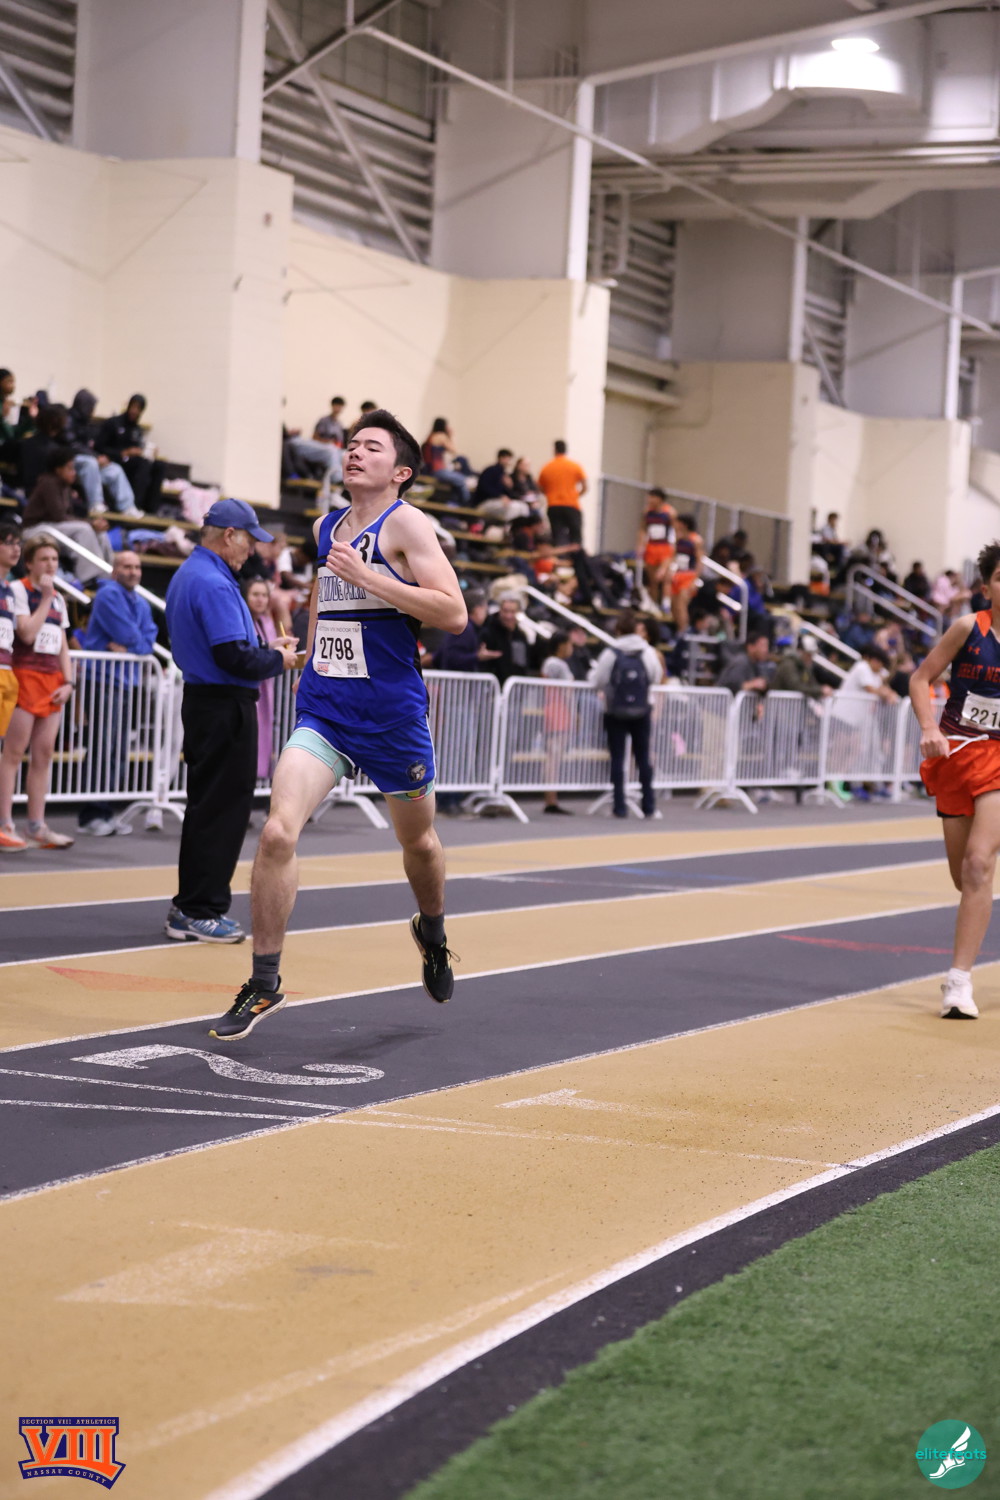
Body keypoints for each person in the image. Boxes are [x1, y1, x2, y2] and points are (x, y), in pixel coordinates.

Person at [207, 409, 467, 1040]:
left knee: (418, 844)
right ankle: (264, 982)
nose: (354, 452)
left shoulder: (406, 523)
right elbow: (326, 591)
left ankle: (432, 931)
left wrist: (369, 577)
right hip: (327, 708)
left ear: (400, 471)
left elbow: (453, 613)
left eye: (371, 447)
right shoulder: (327, 526)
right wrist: (313, 651)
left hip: (391, 717)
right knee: (277, 832)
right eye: (351, 444)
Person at [164, 499, 299, 943]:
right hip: (223, 704)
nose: (252, 551)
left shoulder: (192, 574)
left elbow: (229, 649)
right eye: (248, 541)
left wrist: (266, 651)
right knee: (222, 810)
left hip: (206, 701)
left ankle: (192, 905)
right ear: (229, 535)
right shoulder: (214, 582)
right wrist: (278, 660)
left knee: (208, 807)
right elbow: (233, 657)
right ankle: (199, 909)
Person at [909, 539, 1000, 1020]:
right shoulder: (968, 628)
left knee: (980, 863)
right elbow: (920, 679)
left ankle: (958, 982)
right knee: (964, 876)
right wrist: (929, 728)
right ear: (987, 587)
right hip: (958, 754)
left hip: (999, 759)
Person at [0, 536, 75, 849]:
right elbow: (28, 633)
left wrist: (68, 683)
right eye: (44, 559)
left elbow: (62, 644)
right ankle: (5, 823)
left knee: (43, 755)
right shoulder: (17, 590)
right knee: (13, 753)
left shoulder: (58, 599)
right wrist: (44, 598)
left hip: (51, 682)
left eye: (54, 560)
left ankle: (37, 825)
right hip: (24, 677)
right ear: (29, 563)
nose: (50, 565)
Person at [76, 550, 158, 836]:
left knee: (118, 751)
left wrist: (135, 645)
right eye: (126, 566)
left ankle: (105, 812)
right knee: (103, 747)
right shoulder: (108, 594)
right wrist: (135, 643)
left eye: (137, 567)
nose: (133, 571)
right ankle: (91, 815)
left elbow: (148, 640)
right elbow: (128, 635)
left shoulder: (141, 602)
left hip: (125, 682)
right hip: (102, 679)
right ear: (114, 570)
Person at [590, 610, 664, 818]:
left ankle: (619, 806)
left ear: (618, 630)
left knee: (617, 758)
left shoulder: (611, 653)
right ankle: (648, 805)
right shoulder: (647, 652)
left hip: (616, 710)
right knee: (643, 758)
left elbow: (598, 680)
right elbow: (656, 676)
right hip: (642, 709)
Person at [22, 447, 113, 584]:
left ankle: (108, 576)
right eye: (70, 468)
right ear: (58, 469)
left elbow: (69, 516)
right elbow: (58, 516)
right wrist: (90, 523)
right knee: (84, 529)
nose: (74, 473)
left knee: (100, 533)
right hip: (35, 530)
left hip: (53, 527)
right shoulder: (48, 483)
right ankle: (90, 579)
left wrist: (94, 524)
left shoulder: (65, 486)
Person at [65, 389, 142, 518]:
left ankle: (127, 506)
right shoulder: (68, 419)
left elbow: (90, 446)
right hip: (71, 460)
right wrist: (95, 457)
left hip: (89, 459)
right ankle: (96, 504)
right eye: (91, 407)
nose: (92, 411)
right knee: (90, 463)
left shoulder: (85, 422)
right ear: (84, 405)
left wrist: (99, 457)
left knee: (114, 469)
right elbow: (72, 445)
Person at [96, 394, 164, 514]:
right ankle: (134, 505)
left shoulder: (137, 429)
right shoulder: (113, 423)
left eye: (138, 408)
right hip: (115, 460)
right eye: (133, 407)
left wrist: (148, 452)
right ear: (128, 406)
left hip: (133, 462)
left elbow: (139, 448)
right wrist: (124, 452)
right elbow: (99, 447)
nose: (134, 411)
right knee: (143, 465)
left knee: (159, 465)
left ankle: (152, 510)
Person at [243, 577, 280, 783]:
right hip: (249, 687)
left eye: (264, 595)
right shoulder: (243, 621)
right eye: (255, 594)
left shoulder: (267, 621)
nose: (260, 599)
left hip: (267, 685)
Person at [537, 440, 586, 548]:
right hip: (571, 505)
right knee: (576, 536)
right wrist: (575, 495)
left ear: (554, 450)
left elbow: (540, 487)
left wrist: (550, 494)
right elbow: (585, 486)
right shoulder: (574, 466)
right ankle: (575, 555)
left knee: (558, 535)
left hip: (553, 506)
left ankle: (560, 555)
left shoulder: (547, 467)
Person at [637, 488, 676, 608]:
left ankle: (666, 603)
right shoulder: (647, 512)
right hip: (651, 546)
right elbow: (643, 529)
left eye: (652, 497)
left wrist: (674, 548)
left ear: (660, 499)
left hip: (665, 546)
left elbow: (675, 531)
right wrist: (640, 545)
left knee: (665, 577)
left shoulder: (670, 513)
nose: (650, 500)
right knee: (653, 580)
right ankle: (653, 604)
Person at [478, 594, 530, 684]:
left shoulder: (521, 636)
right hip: (491, 686)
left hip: (515, 687)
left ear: (518, 612)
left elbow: (523, 664)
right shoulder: (487, 631)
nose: (508, 616)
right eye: (505, 611)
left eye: (512, 612)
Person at [421, 418, 470, 505]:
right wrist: (450, 436)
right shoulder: (441, 436)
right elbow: (453, 450)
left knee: (455, 481)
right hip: (438, 471)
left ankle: (453, 502)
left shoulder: (430, 436)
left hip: (429, 470)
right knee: (461, 479)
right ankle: (466, 503)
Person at [670, 513, 704, 633]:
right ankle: (679, 629)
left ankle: (683, 632)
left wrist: (695, 579)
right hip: (678, 574)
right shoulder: (678, 539)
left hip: (689, 576)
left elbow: (699, 561)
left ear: (683, 524)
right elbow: (674, 556)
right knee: (674, 606)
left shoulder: (696, 540)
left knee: (681, 605)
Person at [771, 635, 833, 699]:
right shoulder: (788, 664)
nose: (810, 658)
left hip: (790, 704)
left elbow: (811, 683)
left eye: (811, 654)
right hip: (779, 703)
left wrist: (821, 689)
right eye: (808, 654)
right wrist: (820, 690)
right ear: (800, 651)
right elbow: (796, 686)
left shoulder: (803, 665)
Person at [717, 631, 772, 695]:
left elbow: (765, 682)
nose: (766, 650)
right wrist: (752, 685)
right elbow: (731, 685)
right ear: (750, 647)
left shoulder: (757, 664)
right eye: (763, 646)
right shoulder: (741, 662)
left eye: (767, 646)